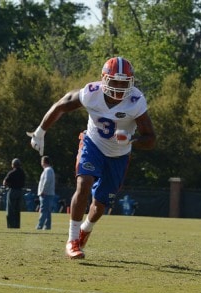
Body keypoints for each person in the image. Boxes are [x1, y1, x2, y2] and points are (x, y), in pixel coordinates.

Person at [27, 56, 156, 258]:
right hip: (93, 144)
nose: (119, 87)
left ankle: (85, 229)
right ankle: (72, 240)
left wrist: (131, 140)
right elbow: (61, 104)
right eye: (115, 81)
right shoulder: (91, 93)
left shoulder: (136, 101)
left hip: (119, 155)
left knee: (100, 203)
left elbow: (151, 139)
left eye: (124, 82)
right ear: (104, 80)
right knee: (83, 183)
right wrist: (40, 131)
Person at [3, 158, 26, 228]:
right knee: (17, 209)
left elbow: (5, 182)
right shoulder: (22, 173)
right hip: (20, 191)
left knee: (10, 209)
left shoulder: (11, 172)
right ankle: (17, 225)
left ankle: (11, 225)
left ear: (13, 165)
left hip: (12, 191)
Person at [36, 156, 55, 230]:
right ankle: (47, 226)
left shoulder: (48, 170)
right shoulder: (49, 170)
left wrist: (43, 191)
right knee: (47, 211)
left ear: (43, 162)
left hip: (46, 194)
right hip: (48, 193)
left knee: (43, 210)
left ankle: (40, 226)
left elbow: (47, 181)